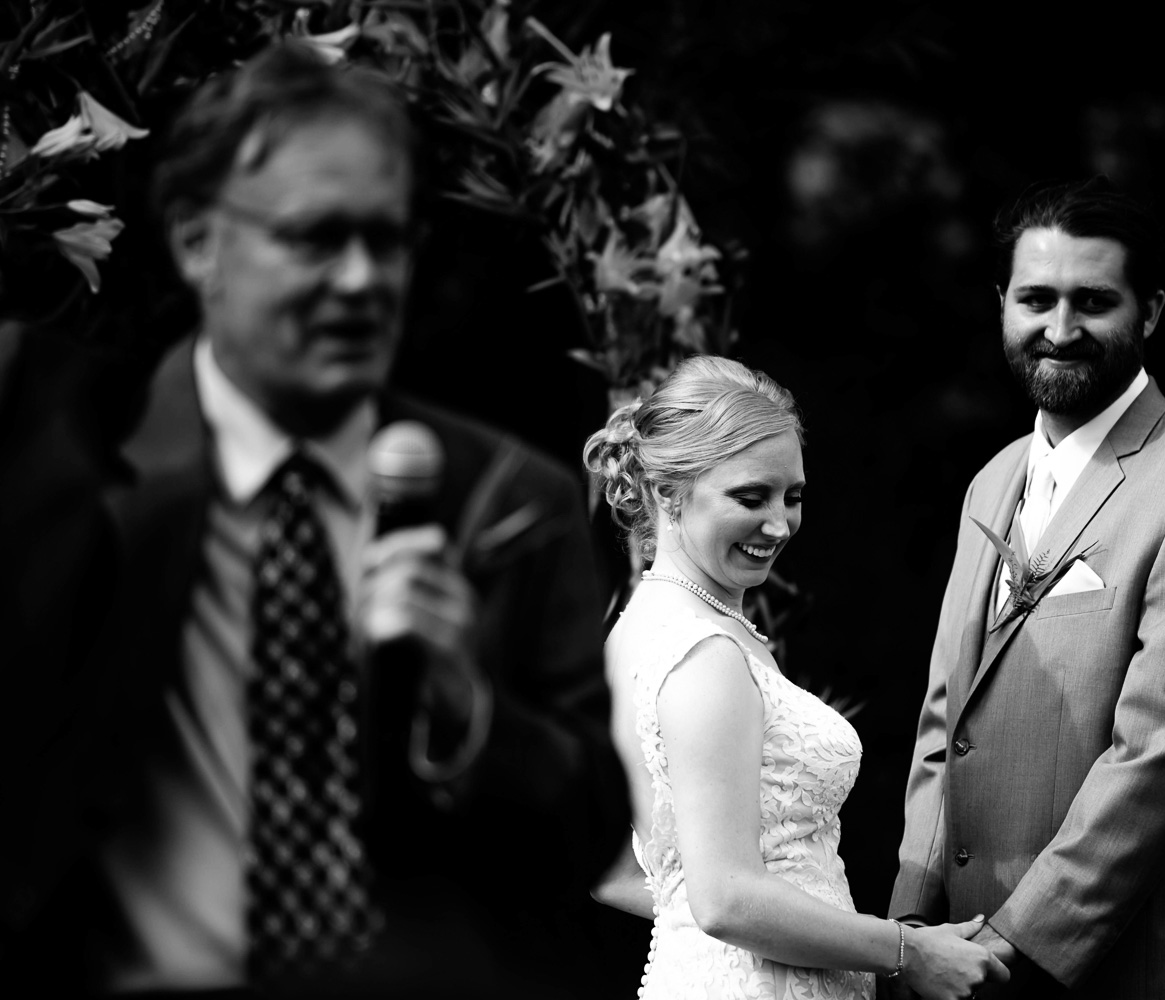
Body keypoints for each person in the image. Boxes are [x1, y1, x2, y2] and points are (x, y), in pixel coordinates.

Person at [0, 41, 627, 997]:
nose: (361, 280)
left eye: (386, 240)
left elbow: (584, 843)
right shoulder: (64, 463)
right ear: (197, 240)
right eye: (315, 238)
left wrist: (468, 713)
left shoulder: (511, 501)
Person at [890, 179, 1165, 999]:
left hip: (1128, 964)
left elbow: (1162, 756)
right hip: (963, 960)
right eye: (1036, 299)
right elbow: (941, 723)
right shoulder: (992, 483)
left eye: (1092, 301)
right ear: (1002, 303)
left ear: (1152, 311)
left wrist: (1013, 948)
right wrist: (910, 930)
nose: (1059, 331)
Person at [585, 356, 1006, 1000]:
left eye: (793, 496)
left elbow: (614, 871)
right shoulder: (702, 652)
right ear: (668, 491)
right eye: (750, 497)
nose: (779, 524)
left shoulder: (641, 630)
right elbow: (724, 898)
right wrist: (905, 949)